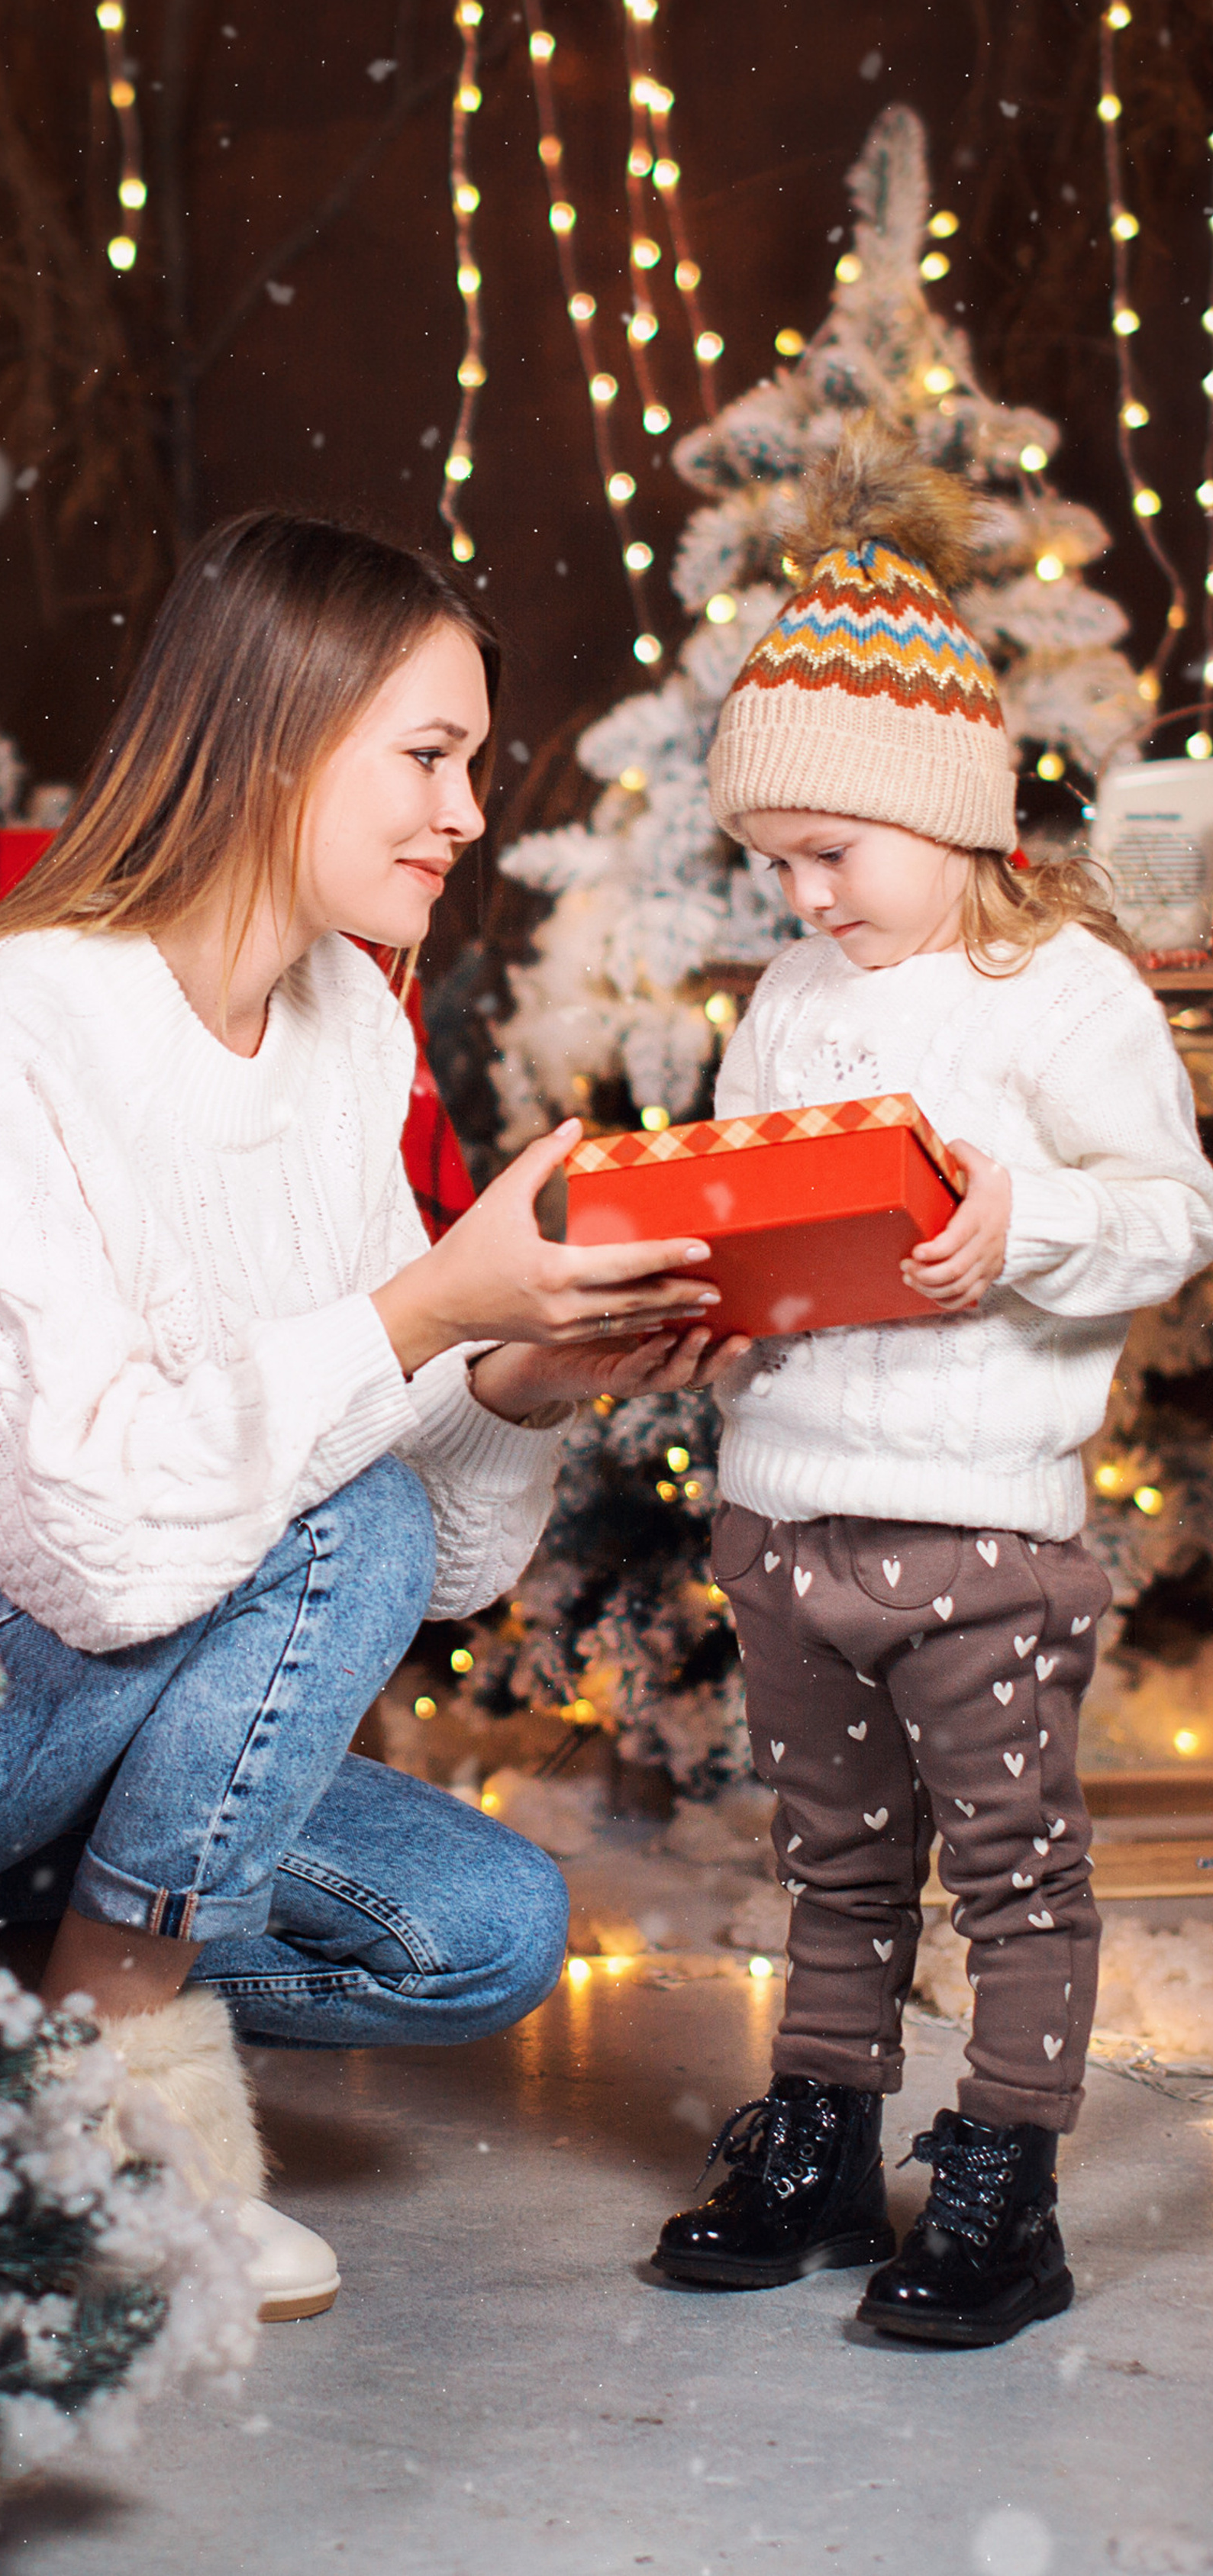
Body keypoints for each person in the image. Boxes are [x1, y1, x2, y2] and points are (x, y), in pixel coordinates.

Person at [0, 508, 744, 2323]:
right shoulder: (12, 1025)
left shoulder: (346, 1031)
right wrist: (418, 1314)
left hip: (75, 1699)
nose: (463, 814)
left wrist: (524, 1376)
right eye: (428, 756)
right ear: (272, 736)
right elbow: (86, 1541)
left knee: (484, 1937)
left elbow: (438, 1553)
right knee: (335, 1522)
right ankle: (93, 2065)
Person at [650, 418, 1213, 2348]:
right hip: (792, 1508)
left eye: (827, 850)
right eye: (770, 861)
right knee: (830, 1859)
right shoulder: (793, 1004)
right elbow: (756, 1222)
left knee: (1011, 1869)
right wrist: (706, 1305)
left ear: (951, 812)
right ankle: (820, 2131)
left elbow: (1166, 1212)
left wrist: (1020, 1222)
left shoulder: (1061, 996)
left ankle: (1003, 2176)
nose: (800, 895)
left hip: (979, 1526)